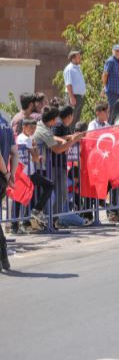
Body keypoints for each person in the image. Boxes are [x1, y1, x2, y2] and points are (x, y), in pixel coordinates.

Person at [16, 119, 55, 230]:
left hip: (24, 173)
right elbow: (35, 157)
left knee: (23, 198)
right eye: (31, 127)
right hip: (27, 173)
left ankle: (21, 224)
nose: (33, 130)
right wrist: (37, 152)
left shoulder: (20, 138)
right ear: (24, 127)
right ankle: (36, 210)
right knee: (49, 185)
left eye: (34, 128)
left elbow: (34, 157)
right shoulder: (26, 139)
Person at [0, 109, 19, 271]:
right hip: (2, 177)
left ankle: (3, 254)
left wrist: (7, 174)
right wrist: (11, 174)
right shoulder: (6, 123)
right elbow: (14, 152)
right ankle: (3, 257)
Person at [63, 50, 86, 127]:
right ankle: (69, 135)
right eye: (78, 57)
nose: (80, 58)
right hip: (74, 96)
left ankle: (74, 135)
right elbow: (68, 84)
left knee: (77, 118)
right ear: (73, 58)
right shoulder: (69, 69)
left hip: (79, 97)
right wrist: (71, 97)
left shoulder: (77, 68)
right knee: (71, 119)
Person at [102, 44, 119, 110]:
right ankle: (110, 121)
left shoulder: (118, 62)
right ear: (113, 51)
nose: (117, 52)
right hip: (111, 90)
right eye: (116, 50)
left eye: (118, 51)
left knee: (116, 111)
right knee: (112, 110)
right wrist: (105, 86)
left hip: (117, 91)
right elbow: (105, 74)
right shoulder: (110, 61)